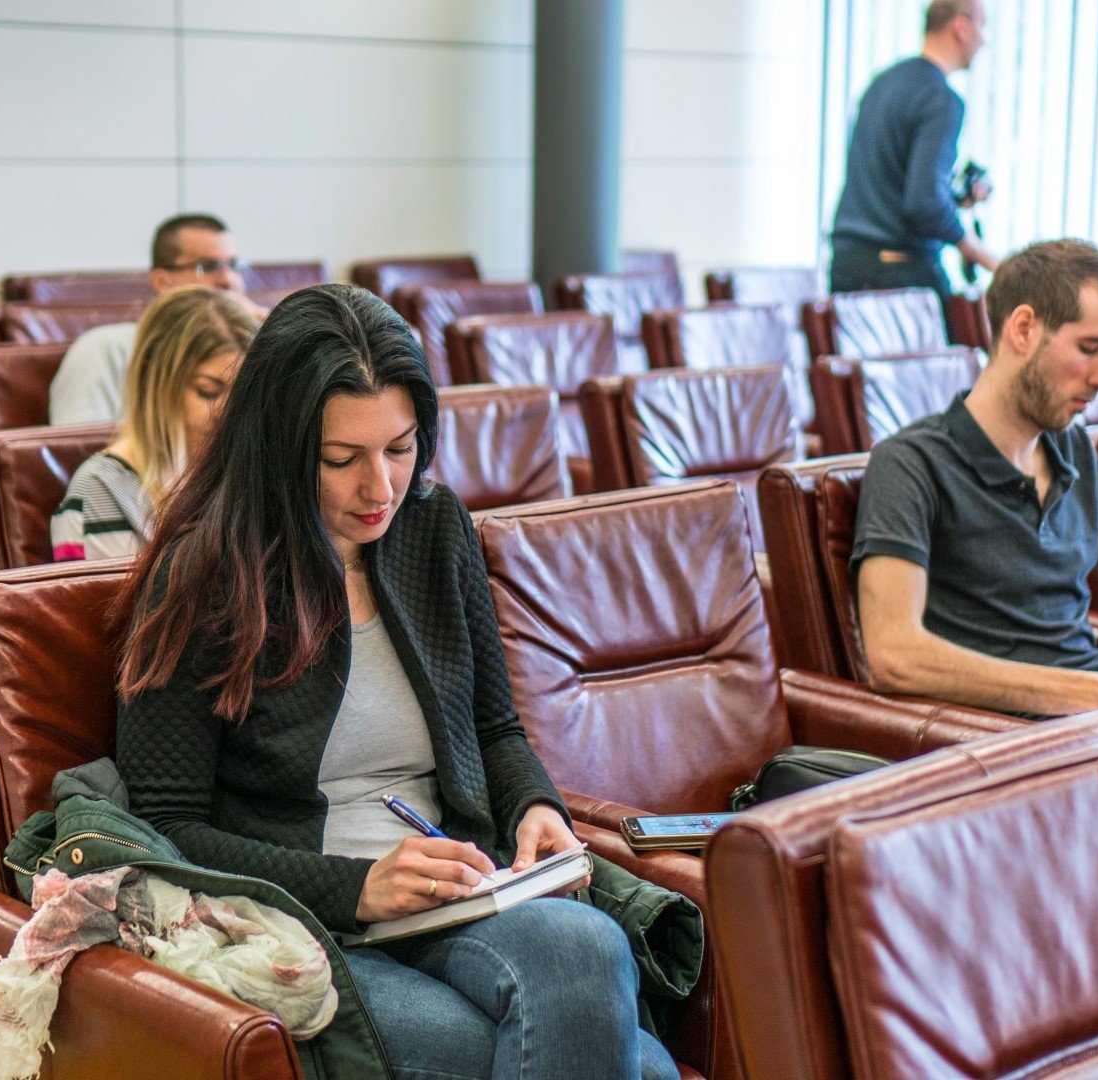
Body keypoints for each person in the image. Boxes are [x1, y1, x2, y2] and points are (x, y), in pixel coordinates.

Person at [112, 283, 676, 1079]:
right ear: (277, 447)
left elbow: (494, 729)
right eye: (341, 460)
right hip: (300, 918)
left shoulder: (432, 527)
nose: (380, 488)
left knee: (588, 945)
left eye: (401, 449)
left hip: (455, 887)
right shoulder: (205, 572)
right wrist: (359, 888)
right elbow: (169, 828)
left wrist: (534, 804)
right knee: (629, 1066)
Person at [851, 238, 1098, 731]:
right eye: (1089, 348)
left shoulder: (1073, 449)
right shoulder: (910, 464)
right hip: (1026, 752)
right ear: (1023, 329)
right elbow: (895, 655)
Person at [50, 285, 258, 561]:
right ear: (154, 382)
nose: (228, 414)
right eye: (208, 392)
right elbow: (110, 604)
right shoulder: (101, 489)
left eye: (241, 394)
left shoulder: (243, 474)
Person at [829, 0, 1000, 298]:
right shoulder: (941, 100)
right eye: (982, 26)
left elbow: (889, 183)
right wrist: (981, 252)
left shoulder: (882, 83)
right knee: (961, 343)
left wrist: (953, 200)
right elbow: (924, 204)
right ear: (960, 27)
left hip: (847, 265)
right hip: (898, 274)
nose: (984, 39)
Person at [48, 213, 255, 425]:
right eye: (208, 267)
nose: (228, 280)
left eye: (233, 266)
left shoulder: (251, 348)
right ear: (162, 281)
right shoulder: (105, 350)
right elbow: (75, 451)